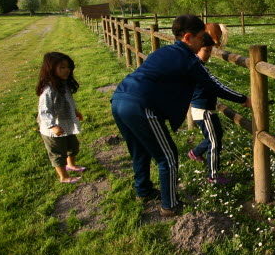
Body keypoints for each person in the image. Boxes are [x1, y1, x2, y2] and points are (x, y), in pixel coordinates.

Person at [110, 15, 251, 216]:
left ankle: (144, 191)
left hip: (119, 98)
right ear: (187, 37)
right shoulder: (188, 60)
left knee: (140, 149)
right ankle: (170, 206)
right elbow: (212, 86)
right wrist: (243, 99)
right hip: (141, 106)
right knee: (167, 157)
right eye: (201, 37)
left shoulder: (163, 52)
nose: (204, 41)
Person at [187, 24, 242, 185]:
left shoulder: (197, 65)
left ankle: (195, 153)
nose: (209, 54)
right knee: (214, 142)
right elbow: (217, 87)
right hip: (203, 111)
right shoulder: (197, 67)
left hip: (205, 109)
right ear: (197, 49)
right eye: (206, 51)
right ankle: (213, 176)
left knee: (215, 135)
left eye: (210, 51)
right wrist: (243, 99)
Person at [36, 52, 85, 184]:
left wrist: (75, 111)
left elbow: (69, 101)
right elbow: (44, 111)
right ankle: (64, 176)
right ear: (51, 69)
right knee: (58, 153)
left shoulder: (63, 84)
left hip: (66, 124)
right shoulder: (48, 90)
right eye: (62, 67)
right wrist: (53, 126)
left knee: (73, 146)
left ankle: (72, 165)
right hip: (53, 130)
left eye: (68, 67)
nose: (67, 70)